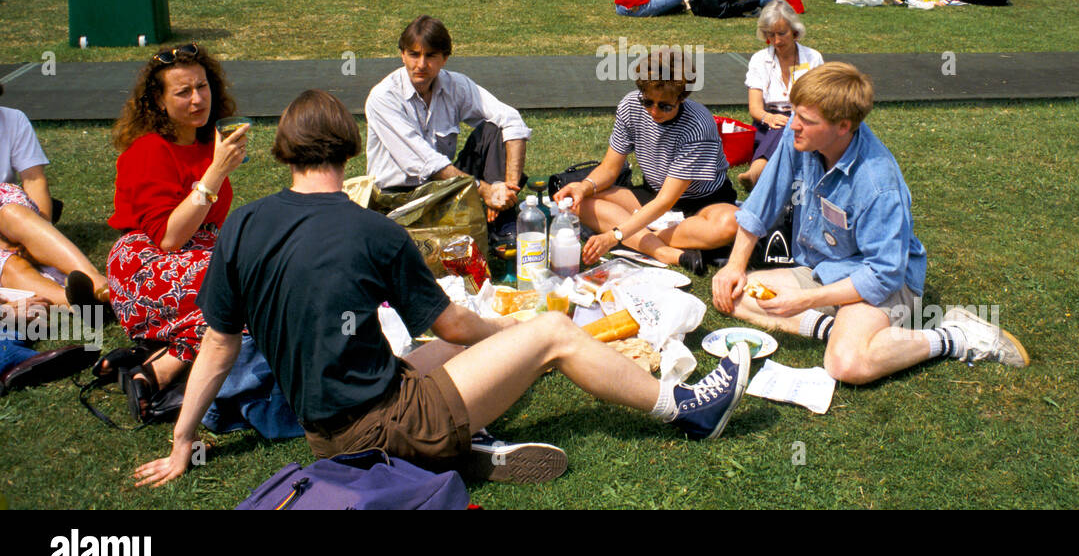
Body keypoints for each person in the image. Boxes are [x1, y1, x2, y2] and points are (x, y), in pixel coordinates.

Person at [133, 89, 752, 490]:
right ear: (348, 149)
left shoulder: (242, 222)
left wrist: (183, 441)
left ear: (284, 152)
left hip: (325, 431)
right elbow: (456, 326)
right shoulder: (373, 230)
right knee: (555, 333)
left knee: (447, 356)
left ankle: (457, 449)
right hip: (384, 425)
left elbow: (216, 347)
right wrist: (517, 332)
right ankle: (687, 406)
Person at [711, 62, 1028, 383]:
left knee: (846, 365)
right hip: (823, 271)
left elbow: (884, 274)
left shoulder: (878, 183)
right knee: (733, 294)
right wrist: (734, 266)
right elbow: (762, 202)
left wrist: (806, 300)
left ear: (843, 126)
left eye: (806, 120)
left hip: (881, 284)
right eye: (795, 114)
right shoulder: (803, 136)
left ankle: (955, 336)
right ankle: (841, 329)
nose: (793, 125)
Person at [106, 43, 249, 419]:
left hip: (194, 257)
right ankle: (164, 366)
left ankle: (154, 365)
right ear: (158, 99)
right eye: (183, 92)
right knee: (245, 291)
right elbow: (169, 237)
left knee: (256, 282)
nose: (198, 99)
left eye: (202, 87)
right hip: (146, 263)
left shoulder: (208, 144)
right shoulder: (148, 151)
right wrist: (216, 172)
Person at [554, 47, 739, 277]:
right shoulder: (630, 106)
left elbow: (666, 200)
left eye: (665, 106)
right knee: (577, 201)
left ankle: (638, 236)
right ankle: (664, 251)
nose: (654, 111)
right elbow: (610, 168)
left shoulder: (698, 125)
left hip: (702, 204)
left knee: (729, 223)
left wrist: (615, 235)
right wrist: (584, 186)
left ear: (682, 98)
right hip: (652, 196)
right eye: (648, 101)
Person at [364, 17, 530, 237]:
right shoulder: (384, 97)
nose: (421, 64)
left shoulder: (456, 85)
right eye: (414, 54)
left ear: (445, 58)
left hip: (441, 187)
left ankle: (503, 225)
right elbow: (425, 162)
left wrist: (506, 189)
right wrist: (485, 190)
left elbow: (511, 118)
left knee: (494, 128)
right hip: (395, 198)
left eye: (430, 55)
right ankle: (489, 218)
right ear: (402, 55)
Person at [0, 82, 108, 309]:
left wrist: (37, 231)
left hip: (10, 215)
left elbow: (34, 179)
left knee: (11, 209)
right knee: (10, 264)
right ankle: (77, 302)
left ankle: (95, 281)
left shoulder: (12, 120)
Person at [736, 1, 824, 190]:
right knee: (781, 128)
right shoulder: (760, 59)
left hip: (802, 119)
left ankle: (757, 171)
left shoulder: (812, 58)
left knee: (788, 125)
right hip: (766, 122)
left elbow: (818, 101)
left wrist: (795, 116)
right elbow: (755, 108)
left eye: (781, 34)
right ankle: (767, 171)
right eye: (770, 35)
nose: (776, 41)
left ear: (795, 31)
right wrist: (769, 117)